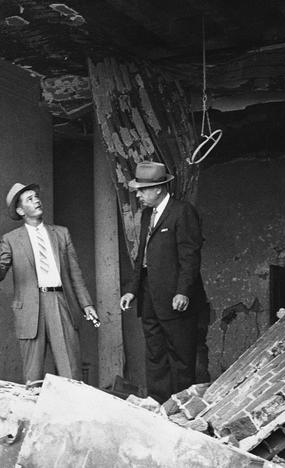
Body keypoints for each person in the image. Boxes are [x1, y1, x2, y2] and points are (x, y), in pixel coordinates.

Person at [0, 183, 99, 383]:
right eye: (29, 199)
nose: (37, 200)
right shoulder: (10, 240)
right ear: (21, 210)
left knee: (70, 371)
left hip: (60, 303)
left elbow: (75, 273)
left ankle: (72, 412)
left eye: (36, 196)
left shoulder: (61, 233)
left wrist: (87, 304)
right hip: (30, 309)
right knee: (33, 375)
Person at [119, 161, 207, 403]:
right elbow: (141, 257)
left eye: (142, 190)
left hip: (176, 298)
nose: (138, 195)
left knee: (181, 355)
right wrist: (132, 290)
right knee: (155, 353)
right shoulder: (148, 214)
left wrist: (183, 292)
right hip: (149, 297)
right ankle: (158, 403)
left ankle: (181, 405)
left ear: (158, 188)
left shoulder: (182, 212)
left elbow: (190, 257)